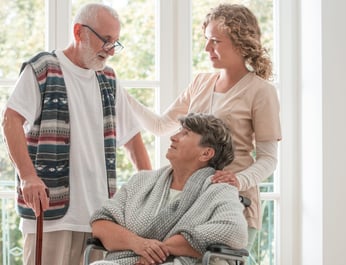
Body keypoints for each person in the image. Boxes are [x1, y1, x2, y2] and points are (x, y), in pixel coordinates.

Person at [1, 3, 151, 265]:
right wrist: (27, 176)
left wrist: (149, 192)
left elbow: (134, 140)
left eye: (115, 42)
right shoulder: (43, 68)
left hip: (101, 218)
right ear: (79, 32)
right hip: (50, 214)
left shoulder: (109, 79)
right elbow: (10, 120)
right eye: (106, 40)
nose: (111, 50)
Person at [125, 3, 282, 252]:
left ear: (240, 43)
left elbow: (269, 159)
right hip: (192, 204)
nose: (207, 48)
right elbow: (160, 125)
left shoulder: (261, 92)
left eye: (215, 41)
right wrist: (120, 94)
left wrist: (237, 181)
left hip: (234, 205)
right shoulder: (200, 82)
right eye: (207, 40)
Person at [89, 113, 248, 265]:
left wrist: (159, 250)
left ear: (206, 153)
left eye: (185, 133)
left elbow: (233, 231)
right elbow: (101, 223)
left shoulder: (219, 191)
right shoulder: (141, 181)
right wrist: (139, 244)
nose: (173, 137)